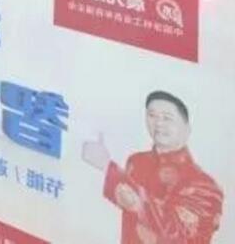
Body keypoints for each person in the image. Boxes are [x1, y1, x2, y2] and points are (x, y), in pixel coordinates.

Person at [82, 91, 223, 242]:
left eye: (167, 118)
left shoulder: (206, 186)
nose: (158, 123)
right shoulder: (136, 162)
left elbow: (175, 233)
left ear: (187, 128)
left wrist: (108, 167)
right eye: (152, 115)